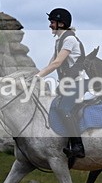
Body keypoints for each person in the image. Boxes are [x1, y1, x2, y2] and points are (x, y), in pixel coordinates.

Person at [37, 8, 87, 161]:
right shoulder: (59, 40)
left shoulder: (70, 39)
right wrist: (35, 76)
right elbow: (51, 63)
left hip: (79, 82)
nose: (50, 25)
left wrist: (38, 76)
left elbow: (57, 63)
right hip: (68, 84)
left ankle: (78, 146)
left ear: (61, 23)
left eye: (52, 22)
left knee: (63, 108)